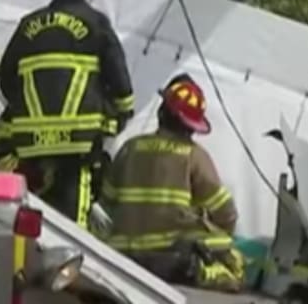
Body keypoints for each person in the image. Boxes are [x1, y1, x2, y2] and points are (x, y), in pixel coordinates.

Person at [0, 0, 136, 228]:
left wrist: (27, 114)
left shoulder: (28, 24)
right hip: (77, 139)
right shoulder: (96, 23)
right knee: (71, 219)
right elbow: (118, 76)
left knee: (28, 207)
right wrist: (123, 110)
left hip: (31, 141)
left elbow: (8, 77)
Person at [101, 76, 245, 293]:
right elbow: (227, 214)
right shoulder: (194, 156)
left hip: (123, 251)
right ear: (191, 127)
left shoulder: (130, 147)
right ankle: (202, 271)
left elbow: (107, 200)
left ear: (161, 113)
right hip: (170, 254)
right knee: (234, 260)